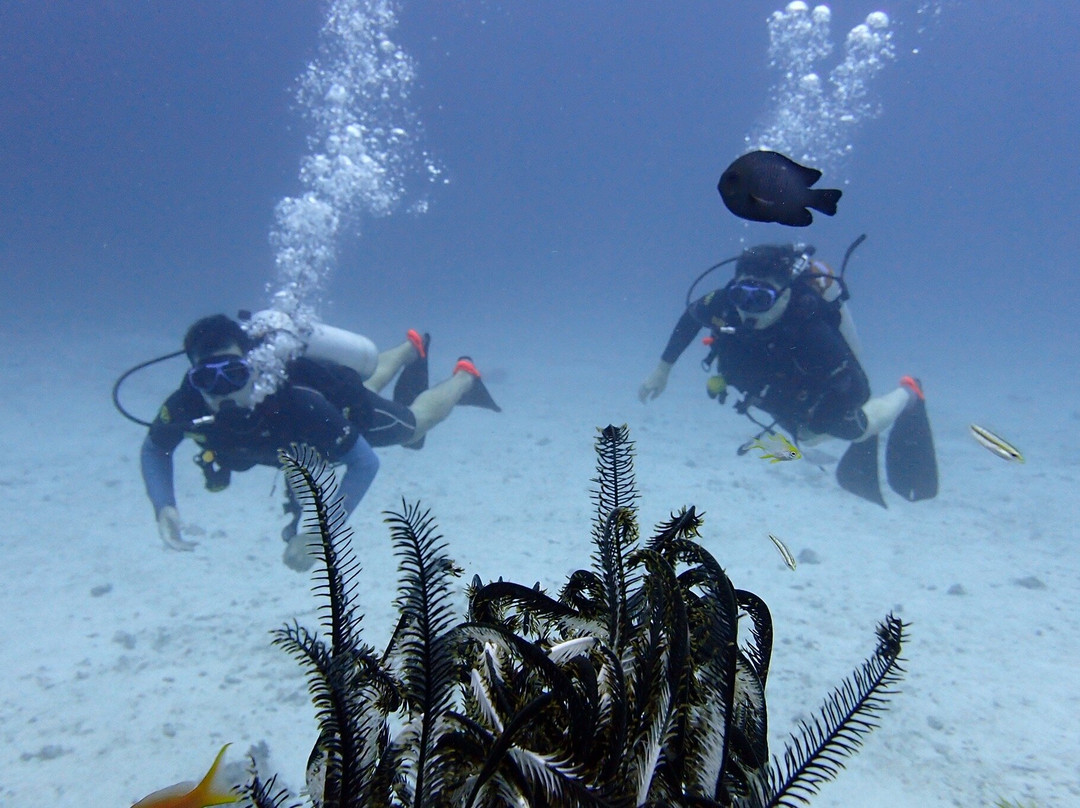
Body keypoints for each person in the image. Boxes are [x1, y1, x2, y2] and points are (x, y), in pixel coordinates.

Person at [140, 313, 500, 569]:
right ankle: (410, 348)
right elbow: (156, 447)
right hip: (321, 418)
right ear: (192, 378)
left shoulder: (296, 400)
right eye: (208, 379)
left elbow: (365, 463)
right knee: (367, 385)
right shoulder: (185, 404)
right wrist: (163, 504)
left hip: (335, 415)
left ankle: (465, 378)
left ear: (252, 365)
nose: (224, 392)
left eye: (234, 374)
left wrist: (320, 535)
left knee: (416, 425)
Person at [638, 243, 937, 505]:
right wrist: (662, 370)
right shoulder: (726, 303)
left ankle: (909, 392)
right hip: (776, 376)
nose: (748, 310)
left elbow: (859, 392)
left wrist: (822, 414)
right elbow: (690, 317)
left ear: (784, 295)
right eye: (742, 296)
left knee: (851, 428)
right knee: (807, 439)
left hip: (815, 380)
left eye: (761, 299)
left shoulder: (813, 332)